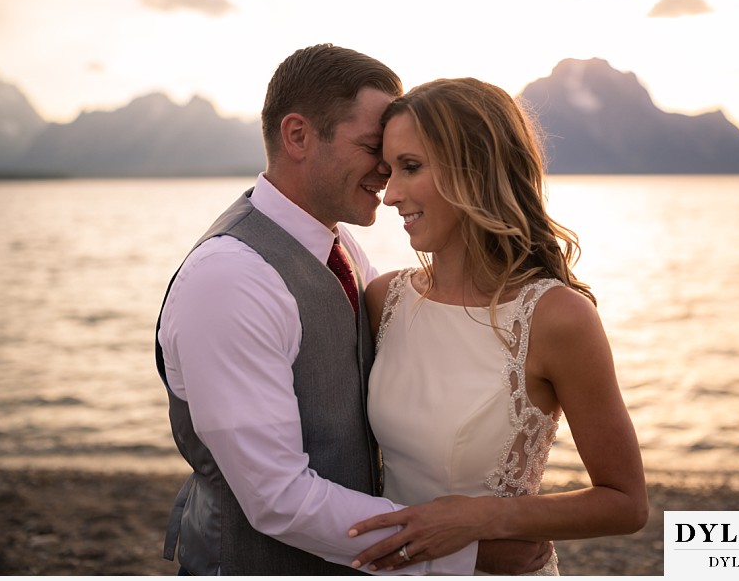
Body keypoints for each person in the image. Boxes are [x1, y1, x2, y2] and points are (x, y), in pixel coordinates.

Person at [154, 45, 551, 575]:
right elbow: (277, 497)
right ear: (297, 136)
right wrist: (465, 548)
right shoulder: (228, 277)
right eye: (372, 148)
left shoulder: (345, 252)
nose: (388, 173)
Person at [347, 78, 649, 574]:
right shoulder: (385, 300)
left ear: (477, 172)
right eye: (388, 170)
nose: (391, 194)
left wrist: (488, 519)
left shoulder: (557, 317)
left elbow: (625, 503)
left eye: (411, 167)